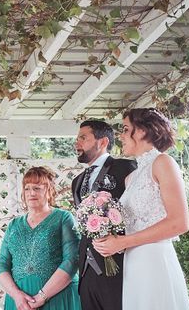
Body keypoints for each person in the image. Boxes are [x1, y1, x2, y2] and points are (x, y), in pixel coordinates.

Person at [92, 108, 189, 309]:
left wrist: (123, 242)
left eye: (126, 129)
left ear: (144, 131)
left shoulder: (163, 162)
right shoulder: (132, 177)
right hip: (134, 263)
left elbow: (179, 223)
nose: (120, 135)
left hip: (155, 260)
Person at [71, 120, 136, 310]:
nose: (77, 143)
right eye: (77, 138)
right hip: (86, 269)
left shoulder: (127, 168)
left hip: (119, 265)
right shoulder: (77, 181)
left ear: (103, 142)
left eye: (83, 138)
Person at [0, 166, 81, 310]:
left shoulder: (63, 218)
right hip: (19, 303)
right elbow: (2, 263)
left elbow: (72, 260)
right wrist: (16, 295)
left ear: (49, 191)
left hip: (57, 298)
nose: (31, 193)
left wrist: (41, 297)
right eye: (27, 188)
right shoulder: (14, 225)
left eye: (37, 188)